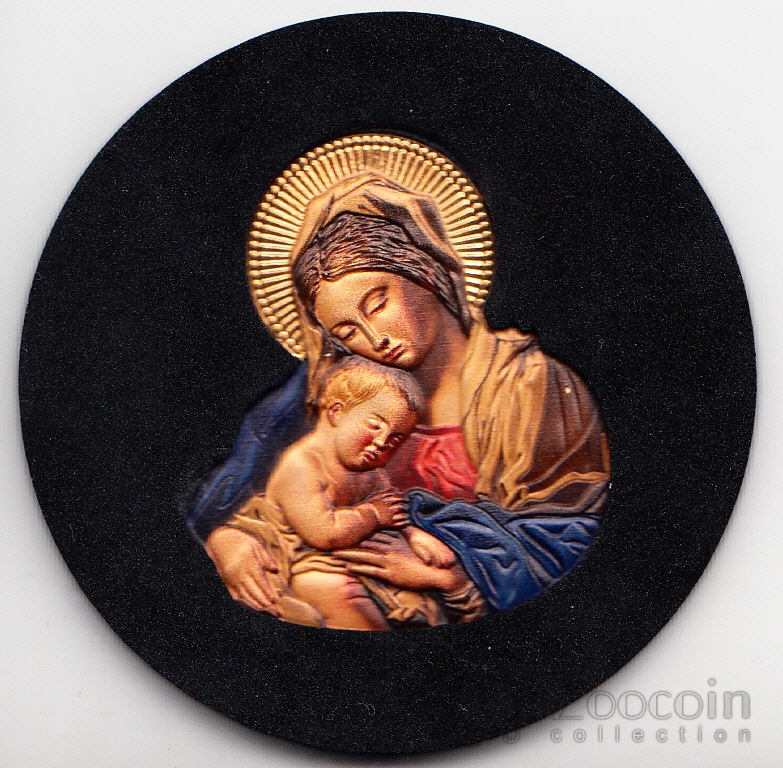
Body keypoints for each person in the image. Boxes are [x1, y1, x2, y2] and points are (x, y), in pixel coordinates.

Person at [188, 171, 610, 621]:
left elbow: (572, 534)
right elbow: (292, 501)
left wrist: (452, 578)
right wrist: (230, 541)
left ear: (422, 270)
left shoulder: (530, 386)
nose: (375, 339)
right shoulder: (338, 394)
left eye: (377, 304)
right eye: (347, 332)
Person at [225, 356, 459, 630]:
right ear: (336, 412)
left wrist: (414, 536)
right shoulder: (302, 464)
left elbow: (392, 512)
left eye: (395, 438)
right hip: (298, 557)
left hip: (349, 551)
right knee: (336, 590)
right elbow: (323, 534)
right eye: (375, 425)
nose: (382, 442)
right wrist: (372, 515)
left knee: (412, 587)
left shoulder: (371, 470)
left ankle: (406, 613)